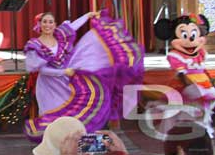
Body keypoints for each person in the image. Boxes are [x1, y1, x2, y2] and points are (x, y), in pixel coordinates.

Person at [24, 10, 144, 142]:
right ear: (39, 24)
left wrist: (87, 15)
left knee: (75, 111)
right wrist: (63, 72)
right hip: (49, 86)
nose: (48, 25)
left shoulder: (59, 35)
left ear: (55, 24)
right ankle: (55, 145)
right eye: (45, 22)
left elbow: (74, 26)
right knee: (53, 113)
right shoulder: (35, 45)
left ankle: (82, 144)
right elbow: (42, 70)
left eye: (50, 22)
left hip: (65, 81)